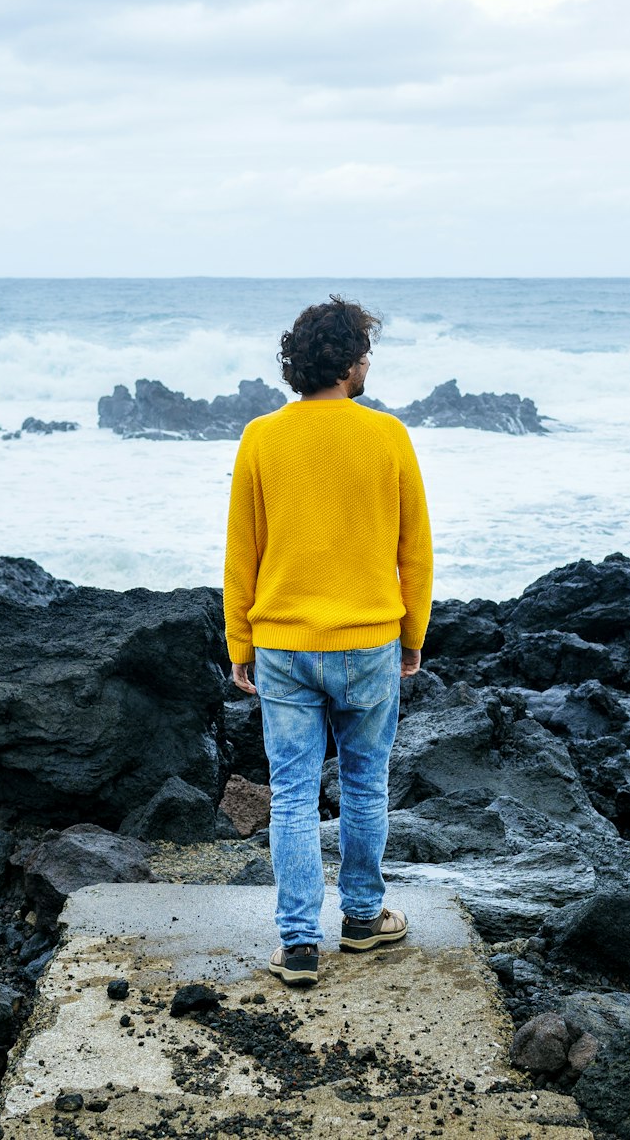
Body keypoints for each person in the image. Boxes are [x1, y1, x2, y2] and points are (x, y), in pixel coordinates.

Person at [222, 295, 434, 988]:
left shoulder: (261, 438)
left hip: (283, 644)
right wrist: (413, 633)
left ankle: (299, 944)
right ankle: (364, 921)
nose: (368, 363)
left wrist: (239, 640)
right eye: (366, 353)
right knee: (366, 785)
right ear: (347, 364)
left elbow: (241, 553)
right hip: (370, 639)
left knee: (290, 795)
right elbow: (416, 551)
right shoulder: (389, 437)